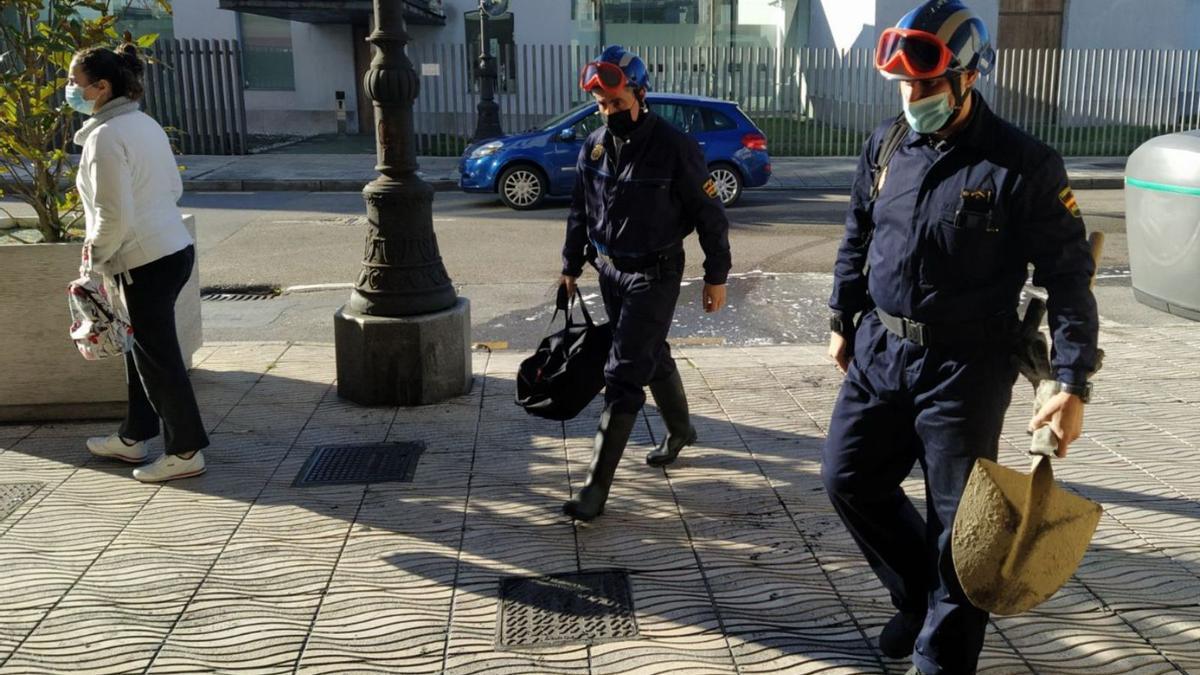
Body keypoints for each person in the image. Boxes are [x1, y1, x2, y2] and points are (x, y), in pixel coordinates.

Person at [821, 2, 1099, 673]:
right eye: (905, 87)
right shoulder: (888, 144)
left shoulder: (1023, 164)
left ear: (967, 79)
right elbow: (859, 234)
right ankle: (918, 598)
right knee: (847, 477)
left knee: (961, 531)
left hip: (964, 368)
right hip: (881, 351)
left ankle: (941, 660)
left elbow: (1068, 277)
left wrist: (1070, 380)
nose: (912, 98)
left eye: (926, 86)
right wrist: (841, 317)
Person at [559, 45, 732, 522]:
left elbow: (709, 214)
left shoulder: (675, 147)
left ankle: (595, 488)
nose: (608, 111)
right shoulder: (593, 144)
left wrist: (716, 275)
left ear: (639, 94)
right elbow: (580, 208)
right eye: (601, 104)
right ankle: (681, 431)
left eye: (616, 102)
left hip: (654, 273)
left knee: (623, 373)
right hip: (610, 269)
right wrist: (571, 264)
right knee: (649, 353)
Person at [71, 41, 209, 483]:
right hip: (170, 248)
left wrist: (93, 260)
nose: (70, 91)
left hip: (142, 260)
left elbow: (113, 214)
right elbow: (172, 188)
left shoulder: (105, 138)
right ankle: (134, 435)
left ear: (101, 87)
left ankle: (185, 450)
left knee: (158, 356)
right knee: (143, 348)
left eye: (76, 84)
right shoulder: (142, 123)